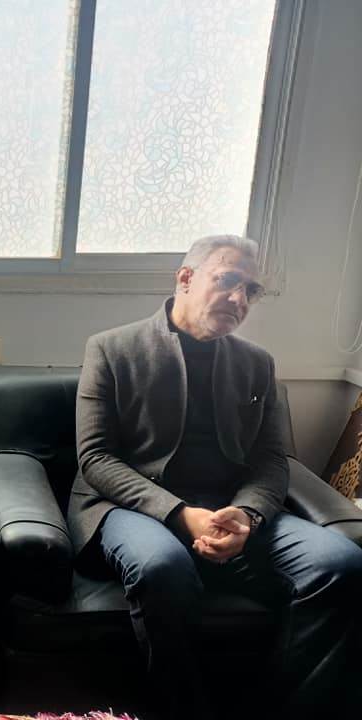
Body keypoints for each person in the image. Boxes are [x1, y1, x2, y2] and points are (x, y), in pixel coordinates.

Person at [68, 235, 362, 719]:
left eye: (251, 290)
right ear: (185, 278)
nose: (239, 299)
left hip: (232, 505)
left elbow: (272, 459)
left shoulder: (257, 363)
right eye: (228, 281)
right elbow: (96, 458)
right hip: (132, 505)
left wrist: (247, 514)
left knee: (340, 563)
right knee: (162, 568)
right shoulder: (111, 349)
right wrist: (181, 515)